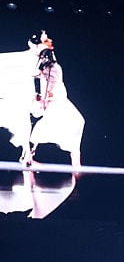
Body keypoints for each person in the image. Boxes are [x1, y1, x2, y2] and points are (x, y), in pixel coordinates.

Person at [26, 31, 85, 170]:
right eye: (46, 37)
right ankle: (28, 156)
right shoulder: (47, 59)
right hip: (55, 99)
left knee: (76, 122)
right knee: (49, 125)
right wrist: (43, 98)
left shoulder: (49, 58)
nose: (50, 39)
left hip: (59, 97)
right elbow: (41, 78)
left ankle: (76, 162)